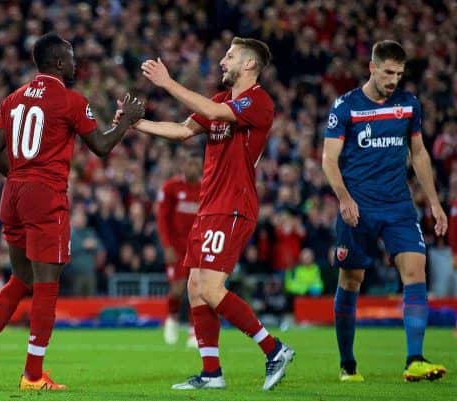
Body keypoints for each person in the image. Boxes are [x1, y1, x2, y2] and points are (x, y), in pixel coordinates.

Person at [0, 32, 144, 391]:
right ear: (60, 62)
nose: (76, 64)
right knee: (46, 284)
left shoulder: (13, 98)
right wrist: (127, 120)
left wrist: (20, 177)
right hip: (45, 196)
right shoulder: (71, 100)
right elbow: (102, 146)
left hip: (13, 193)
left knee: (22, 278)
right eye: (73, 58)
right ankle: (33, 375)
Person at [123, 36, 295, 391]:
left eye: (230, 56)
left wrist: (168, 82)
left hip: (233, 206)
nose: (222, 61)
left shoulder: (258, 101)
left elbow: (218, 115)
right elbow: (184, 130)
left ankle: (274, 349)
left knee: (212, 288)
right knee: (195, 288)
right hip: (210, 207)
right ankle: (211, 373)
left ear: (249, 64)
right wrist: (136, 125)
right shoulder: (219, 100)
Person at [322, 40, 448, 382]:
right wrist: (344, 198)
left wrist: (434, 202)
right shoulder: (345, 106)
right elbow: (329, 160)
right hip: (358, 208)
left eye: (399, 73)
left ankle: (415, 359)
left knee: (415, 271)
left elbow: (419, 154)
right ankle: (347, 364)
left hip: (398, 206)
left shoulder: (408, 105)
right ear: (372, 68)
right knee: (351, 279)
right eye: (388, 72)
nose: (394, 80)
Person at [157, 149, 201, 347]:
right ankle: (172, 318)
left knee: (197, 288)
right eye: (189, 163)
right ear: (184, 165)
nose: (192, 167)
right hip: (176, 247)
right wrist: (166, 246)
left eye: (195, 164)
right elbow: (162, 219)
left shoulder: (206, 188)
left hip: (197, 247)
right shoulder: (171, 187)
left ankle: (194, 331)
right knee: (177, 288)